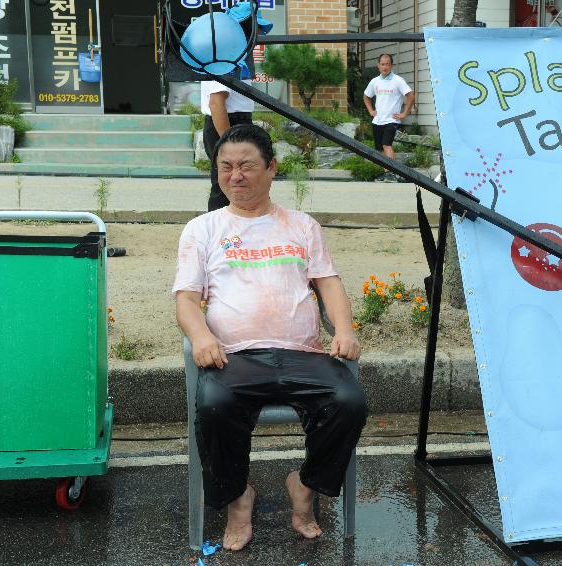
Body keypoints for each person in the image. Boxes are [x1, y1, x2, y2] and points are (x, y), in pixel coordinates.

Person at [173, 124, 367, 550]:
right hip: (235, 356)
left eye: (246, 166)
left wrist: (346, 329)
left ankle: (306, 485)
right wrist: (202, 335)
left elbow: (329, 284)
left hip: (303, 353)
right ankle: (238, 497)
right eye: (225, 167)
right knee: (215, 405)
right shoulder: (203, 229)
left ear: (271, 169)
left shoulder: (301, 225)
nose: (235, 176)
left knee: (349, 402)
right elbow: (187, 301)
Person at [201, 78, 255, 211]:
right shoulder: (222, 58)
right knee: (225, 185)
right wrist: (229, 141)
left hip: (235, 122)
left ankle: (243, 228)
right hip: (228, 123)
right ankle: (218, 230)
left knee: (245, 184)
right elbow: (216, 102)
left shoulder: (233, 58)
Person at [362, 53, 415, 160]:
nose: (385, 67)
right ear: (378, 65)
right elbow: (366, 96)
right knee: (380, 149)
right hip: (377, 120)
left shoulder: (398, 80)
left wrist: (405, 113)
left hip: (392, 120)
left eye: (387, 64)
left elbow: (411, 96)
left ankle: (392, 173)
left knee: (386, 145)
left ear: (391, 65)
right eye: (382, 64)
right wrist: (371, 111)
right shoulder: (375, 81)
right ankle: (386, 172)